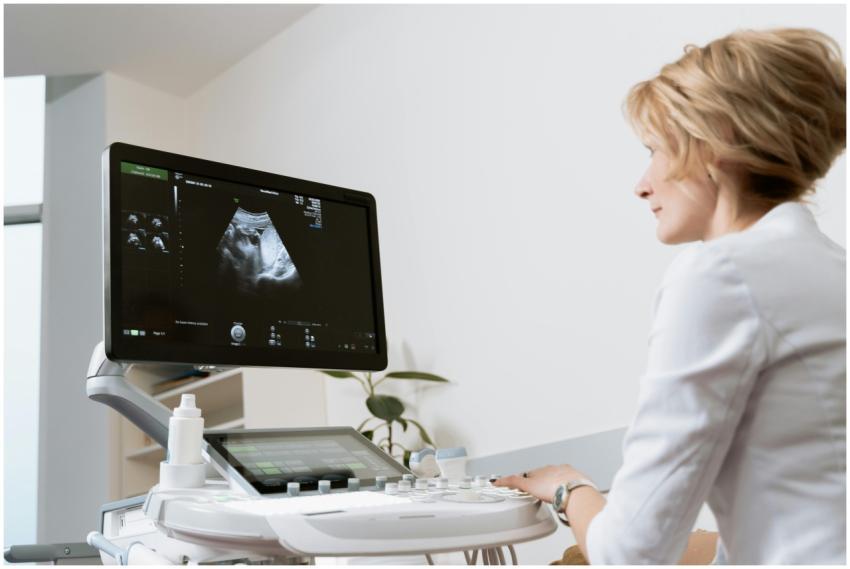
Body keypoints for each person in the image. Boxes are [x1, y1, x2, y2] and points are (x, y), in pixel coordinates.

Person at [495, 28, 846, 564]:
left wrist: (570, 488)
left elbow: (630, 554)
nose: (641, 184)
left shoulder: (722, 275)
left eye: (655, 150)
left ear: (716, 141)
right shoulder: (831, 267)